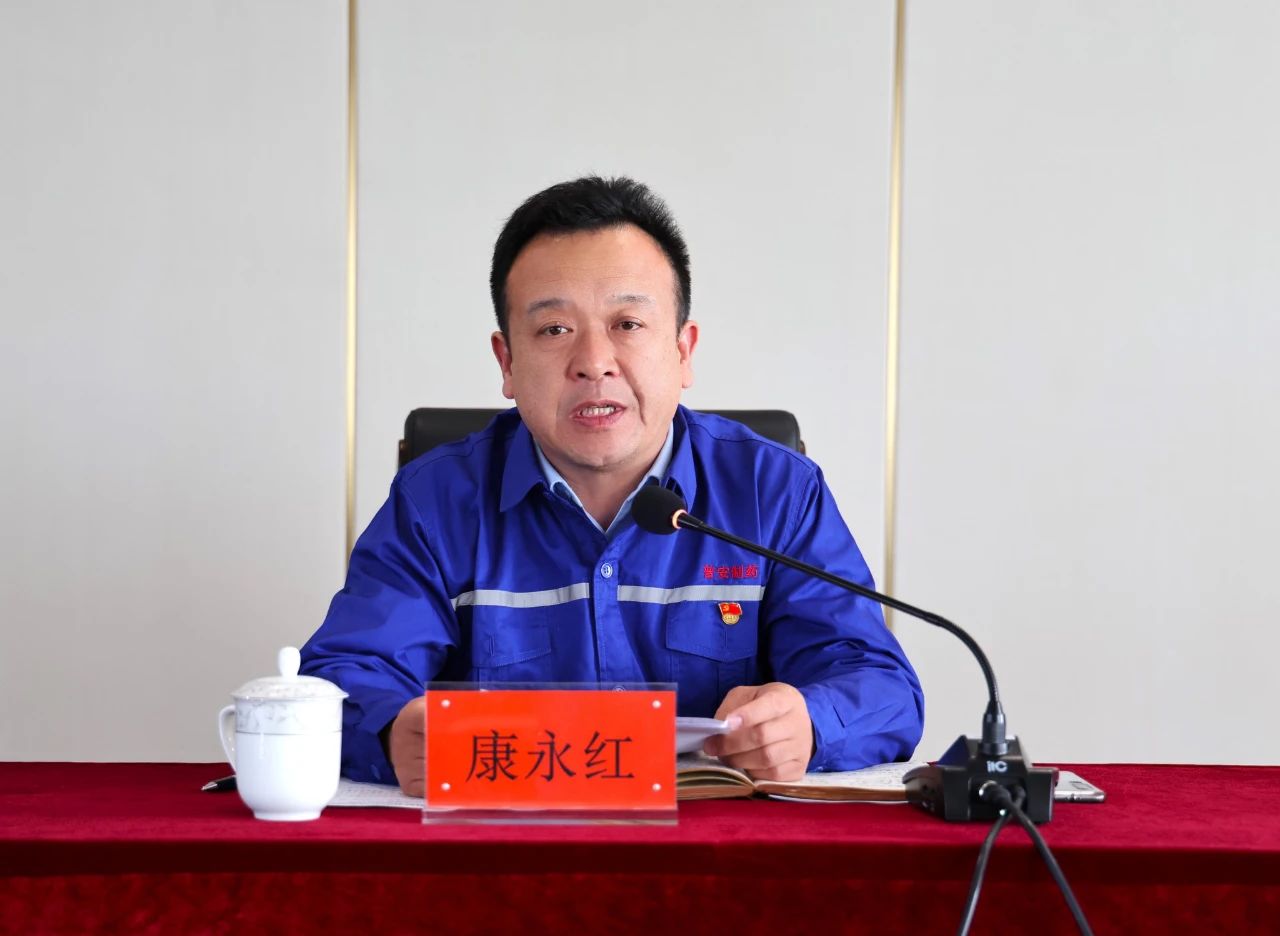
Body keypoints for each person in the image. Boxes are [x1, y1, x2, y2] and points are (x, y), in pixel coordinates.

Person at [300, 176, 923, 796]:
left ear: (683, 351)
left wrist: (809, 723)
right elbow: (343, 678)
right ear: (507, 362)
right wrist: (391, 731)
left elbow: (880, 685)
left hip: (715, 844)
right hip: (508, 845)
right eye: (554, 329)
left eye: (627, 323)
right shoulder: (436, 502)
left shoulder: (773, 492)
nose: (594, 362)